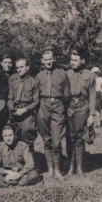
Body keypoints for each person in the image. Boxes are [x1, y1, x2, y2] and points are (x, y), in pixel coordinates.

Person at [36, 50, 71, 180]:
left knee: (56, 141)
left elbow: (67, 94)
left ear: (54, 59)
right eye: (46, 59)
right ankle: (50, 169)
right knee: (46, 140)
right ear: (42, 61)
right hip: (43, 106)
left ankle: (58, 170)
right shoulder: (39, 76)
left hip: (58, 105)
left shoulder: (62, 73)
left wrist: (61, 107)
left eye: (50, 59)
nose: (48, 62)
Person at [66, 50, 96, 177]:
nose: (73, 62)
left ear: (82, 61)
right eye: (71, 60)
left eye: (76, 60)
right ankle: (70, 167)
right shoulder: (66, 74)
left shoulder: (90, 75)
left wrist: (92, 114)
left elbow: (93, 96)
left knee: (79, 137)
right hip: (69, 107)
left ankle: (79, 167)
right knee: (69, 137)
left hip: (82, 107)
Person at [7, 58, 39, 151]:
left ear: (27, 67)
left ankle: (30, 161)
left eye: (22, 67)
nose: (19, 69)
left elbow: (36, 101)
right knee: (14, 135)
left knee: (27, 135)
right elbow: (10, 97)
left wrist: (24, 110)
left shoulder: (33, 81)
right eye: (17, 67)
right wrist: (11, 107)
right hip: (14, 110)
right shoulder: (12, 79)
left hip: (27, 112)